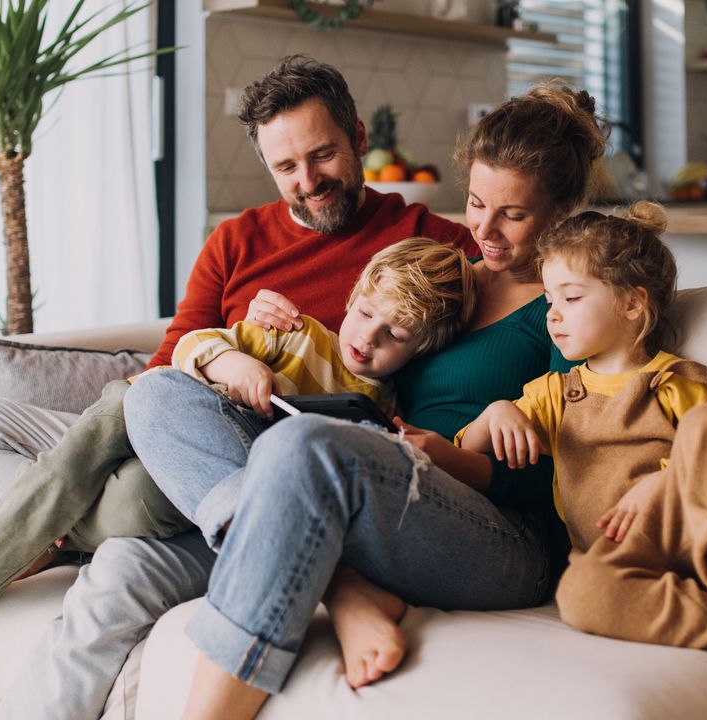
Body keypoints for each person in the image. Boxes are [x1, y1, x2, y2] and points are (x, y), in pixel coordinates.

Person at [0, 54, 475, 718]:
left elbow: (527, 285)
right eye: (286, 168)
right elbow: (167, 363)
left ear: (357, 137)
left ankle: (38, 525)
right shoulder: (236, 239)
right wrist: (219, 365)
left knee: (118, 568)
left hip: (254, 473)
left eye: (322, 156)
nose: (309, 182)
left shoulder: (428, 247)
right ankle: (47, 518)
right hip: (175, 419)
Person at [120, 83, 606, 717]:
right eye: (476, 203)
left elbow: (581, 477)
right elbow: (363, 352)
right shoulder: (446, 274)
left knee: (302, 447)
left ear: (565, 208)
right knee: (157, 394)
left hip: (506, 540)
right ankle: (344, 586)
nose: (483, 232)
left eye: (512, 215)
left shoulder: (571, 306)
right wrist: (276, 337)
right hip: (387, 491)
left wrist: (463, 452)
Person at [0, 238, 475, 698]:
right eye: (365, 314)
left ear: (422, 348)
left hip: (186, 483)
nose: (367, 338)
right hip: (133, 418)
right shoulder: (296, 334)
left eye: (394, 336)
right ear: (352, 297)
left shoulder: (382, 418)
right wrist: (231, 360)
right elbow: (193, 345)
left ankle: (11, 551)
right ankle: (48, 527)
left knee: (134, 496)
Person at [457, 203, 707, 677]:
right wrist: (497, 411)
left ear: (632, 303)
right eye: (549, 301)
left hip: (697, 533)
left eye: (572, 298)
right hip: (620, 555)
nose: (554, 316)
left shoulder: (674, 380)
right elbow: (468, 447)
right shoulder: (554, 394)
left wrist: (663, 483)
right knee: (579, 595)